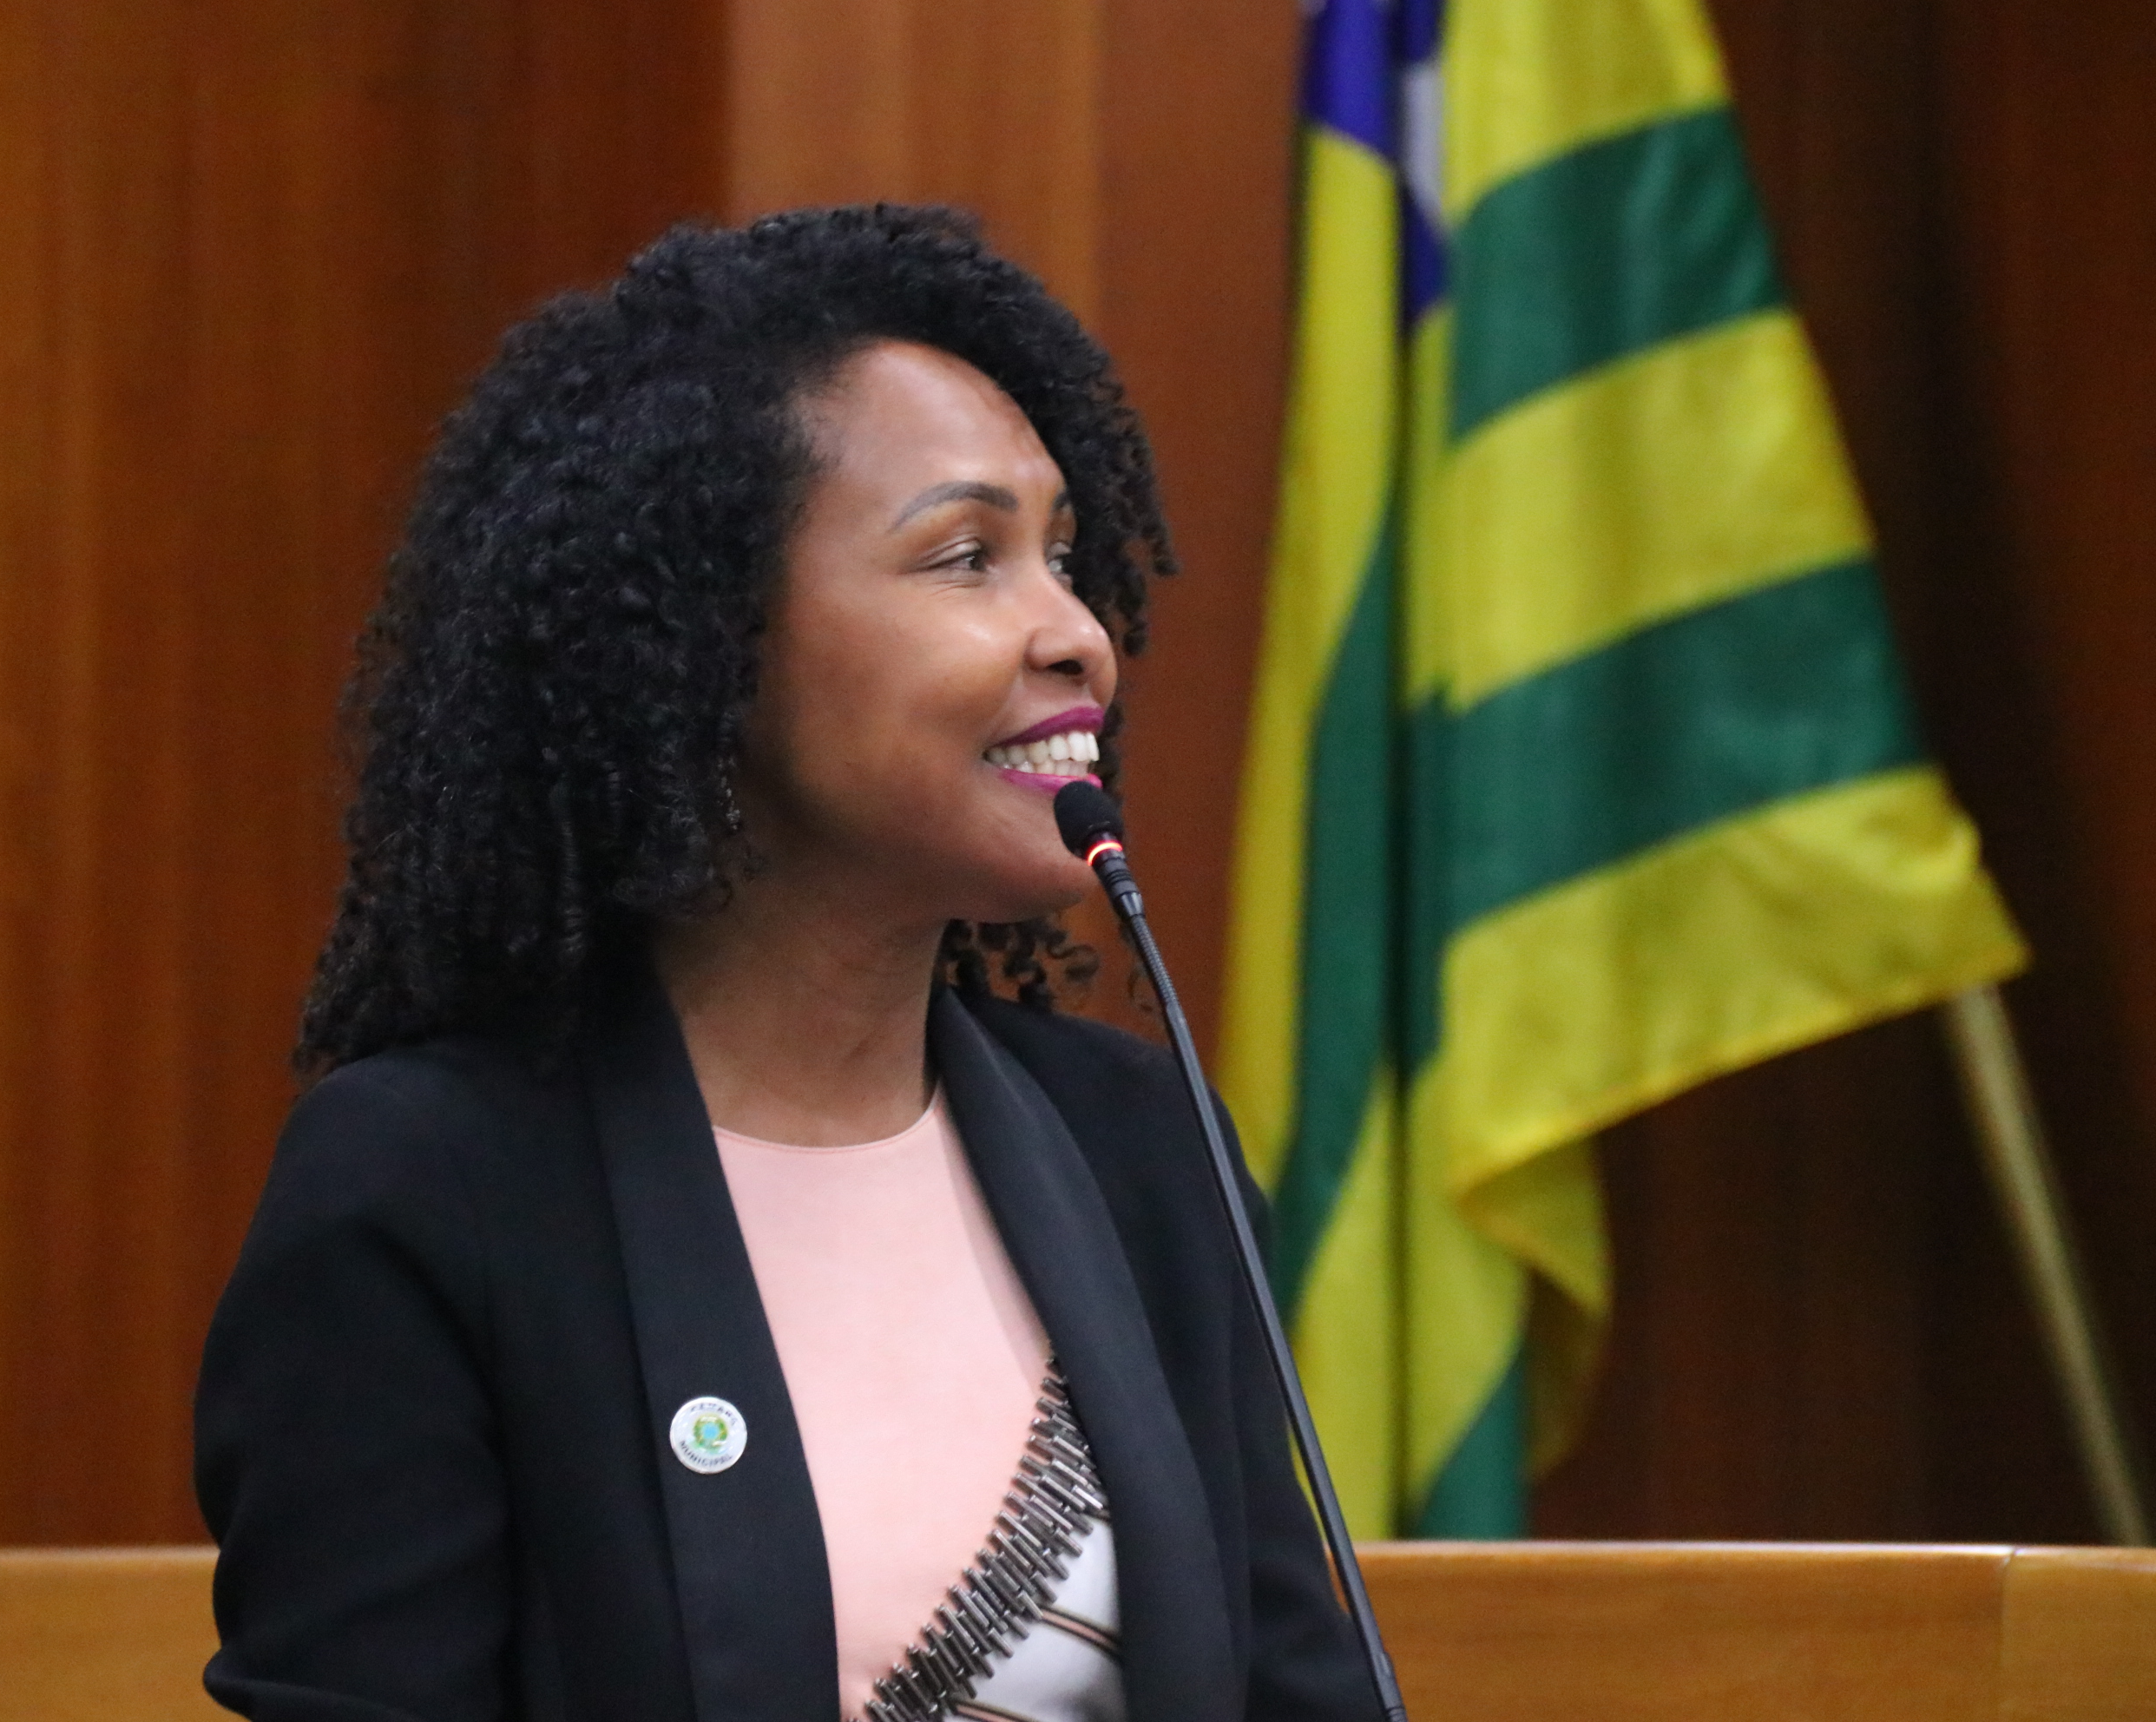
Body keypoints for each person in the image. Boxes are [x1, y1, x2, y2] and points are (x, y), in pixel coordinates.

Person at [194, 203, 1378, 1722]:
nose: (1078, 633)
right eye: (966, 557)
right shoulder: (431, 1189)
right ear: (710, 644)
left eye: (1066, 557)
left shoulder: (1141, 1149)